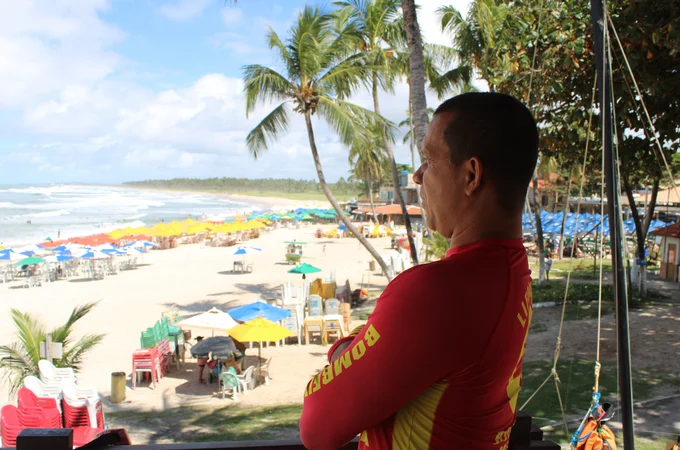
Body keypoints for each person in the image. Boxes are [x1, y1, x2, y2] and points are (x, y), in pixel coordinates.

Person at [299, 92, 539, 449]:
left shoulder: (438, 293)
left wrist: (345, 350)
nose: (416, 176)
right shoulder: (511, 271)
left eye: (429, 159)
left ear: (471, 174)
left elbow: (317, 428)